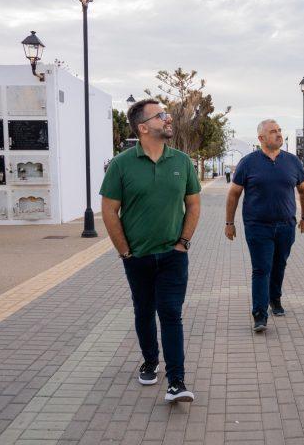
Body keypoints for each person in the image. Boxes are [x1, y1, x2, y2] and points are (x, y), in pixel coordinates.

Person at [100, 99, 201, 403]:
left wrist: (183, 242)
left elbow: (194, 203)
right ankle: (149, 360)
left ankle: (177, 381)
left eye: (167, 114)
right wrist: (125, 252)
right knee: (143, 311)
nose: (168, 119)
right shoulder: (121, 164)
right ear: (143, 127)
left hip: (173, 256)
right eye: (162, 116)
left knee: (170, 313)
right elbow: (109, 210)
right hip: (138, 257)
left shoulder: (182, 162)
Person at [225, 119, 304, 332]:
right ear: (261, 138)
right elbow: (234, 194)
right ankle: (259, 315)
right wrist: (230, 223)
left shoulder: (293, 161)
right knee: (261, 269)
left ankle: (275, 299)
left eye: (280, 130)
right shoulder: (248, 162)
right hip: (257, 226)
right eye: (273, 132)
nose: (279, 134)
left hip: (286, 225)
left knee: (279, 265)